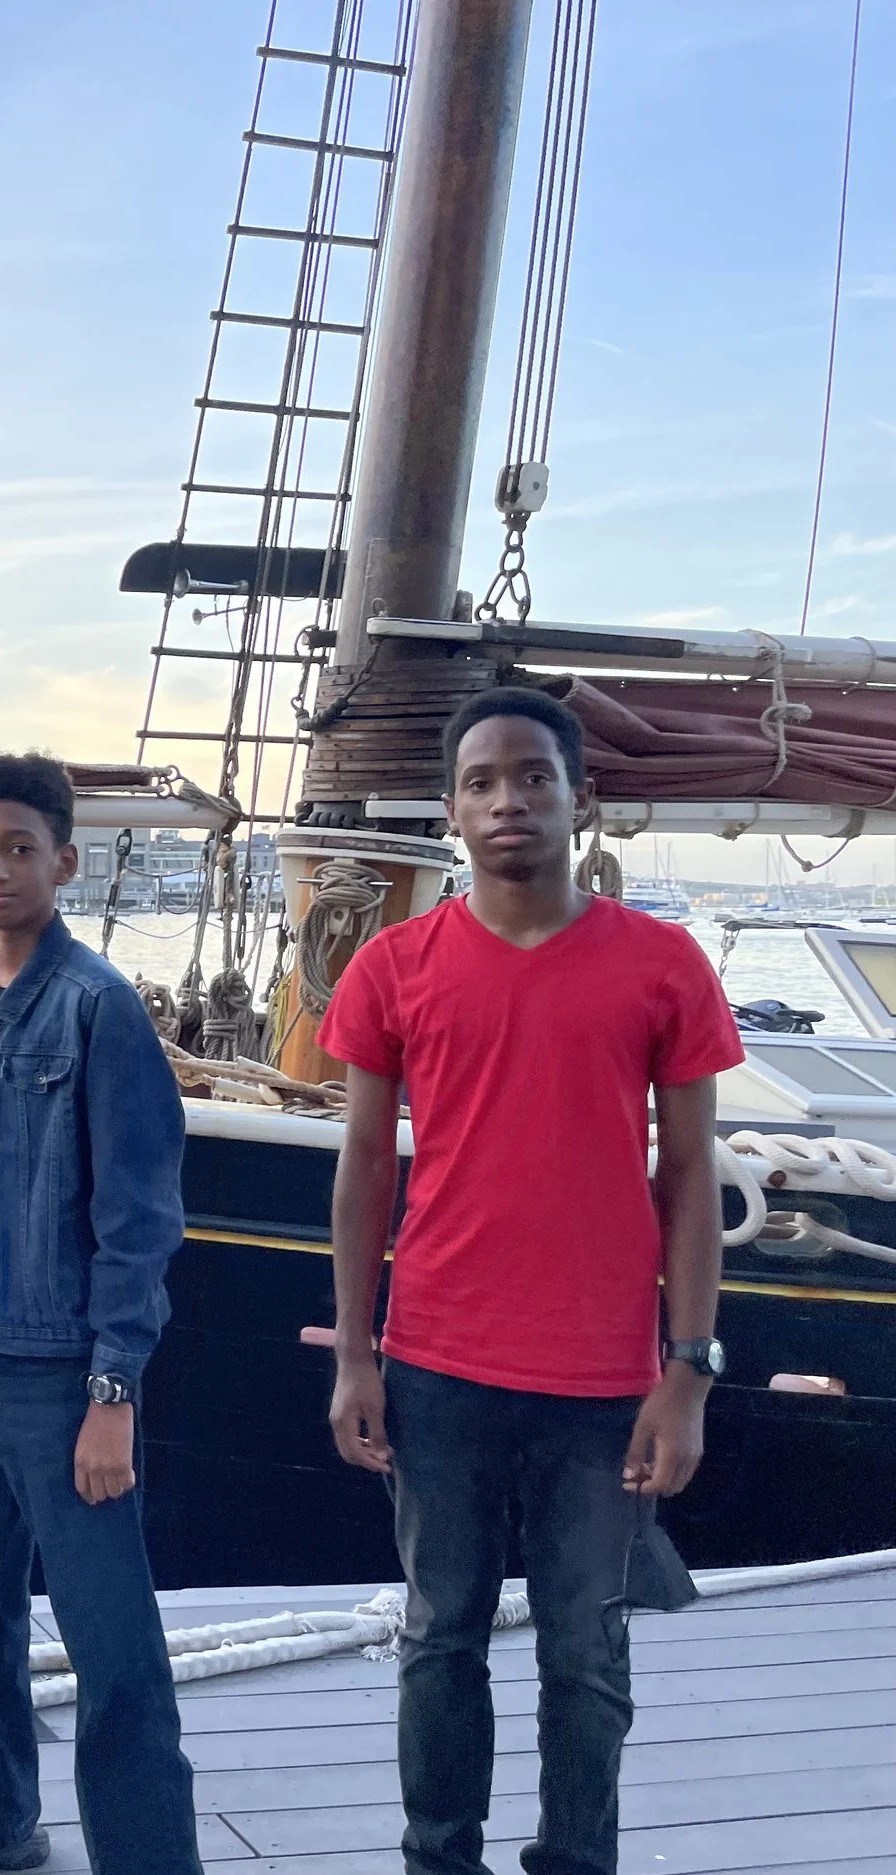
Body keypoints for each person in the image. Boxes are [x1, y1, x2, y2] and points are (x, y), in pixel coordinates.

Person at [319, 688, 743, 1875]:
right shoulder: (394, 967)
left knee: (586, 1655)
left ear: (577, 799)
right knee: (438, 1641)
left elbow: (690, 1175)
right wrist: (355, 1354)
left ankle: (575, 1860)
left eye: (532, 777)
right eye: (481, 782)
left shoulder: (661, 966)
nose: (507, 799)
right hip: (437, 1367)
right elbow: (364, 1168)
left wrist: (687, 1372)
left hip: (603, 1382)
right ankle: (438, 1860)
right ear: (451, 810)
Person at [0, 753, 204, 1875]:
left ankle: (150, 1860)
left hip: (60, 1367)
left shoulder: (99, 1007)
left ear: (64, 861)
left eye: (19, 848)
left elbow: (140, 1216)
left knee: (110, 1637)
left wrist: (112, 1390)